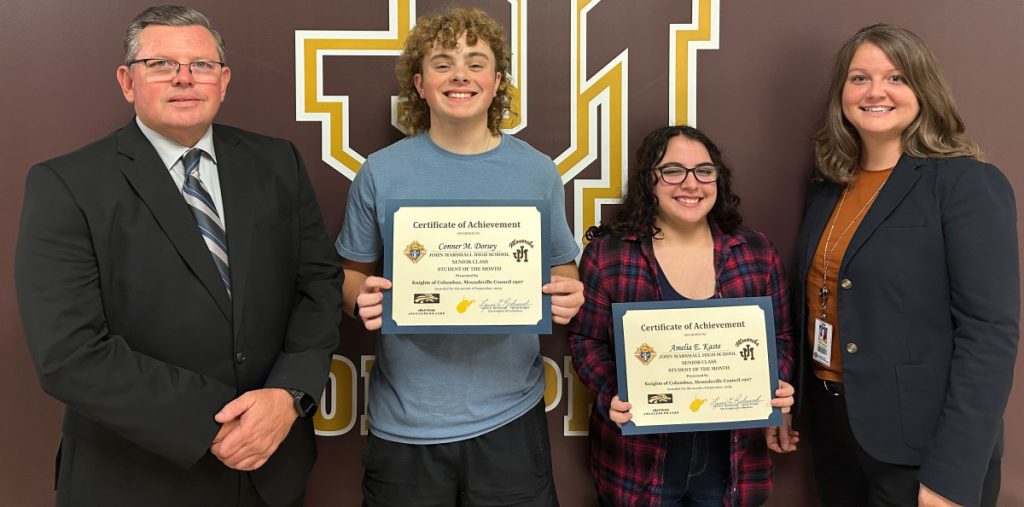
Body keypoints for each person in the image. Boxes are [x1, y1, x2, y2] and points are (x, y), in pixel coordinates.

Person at [14, 5, 342, 506]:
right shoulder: (66, 184)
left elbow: (317, 286)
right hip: (135, 478)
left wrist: (288, 396)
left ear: (224, 80)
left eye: (201, 65)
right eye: (161, 64)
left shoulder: (277, 163)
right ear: (127, 81)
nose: (184, 79)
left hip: (269, 472)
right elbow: (69, 352)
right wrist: (219, 421)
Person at [336, 7, 584, 506]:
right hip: (405, 422)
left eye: (476, 62)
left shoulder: (536, 172)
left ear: (496, 83)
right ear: (420, 84)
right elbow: (350, 275)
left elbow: (562, 265)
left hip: (511, 416)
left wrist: (568, 291)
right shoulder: (381, 173)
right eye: (442, 62)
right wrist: (355, 297)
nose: (460, 75)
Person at [795, 23, 1019, 507]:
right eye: (859, 78)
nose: (875, 91)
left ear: (924, 90)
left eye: (896, 77)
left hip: (925, 454)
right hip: (837, 434)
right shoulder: (827, 188)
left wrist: (951, 478)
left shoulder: (965, 183)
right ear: (842, 94)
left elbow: (990, 334)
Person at [568, 125, 797, 506]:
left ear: (717, 179)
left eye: (703, 171)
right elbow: (586, 341)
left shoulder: (756, 251)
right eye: (673, 171)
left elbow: (782, 339)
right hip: (638, 462)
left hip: (731, 458)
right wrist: (614, 391)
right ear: (650, 181)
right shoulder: (609, 255)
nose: (691, 184)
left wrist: (775, 381)